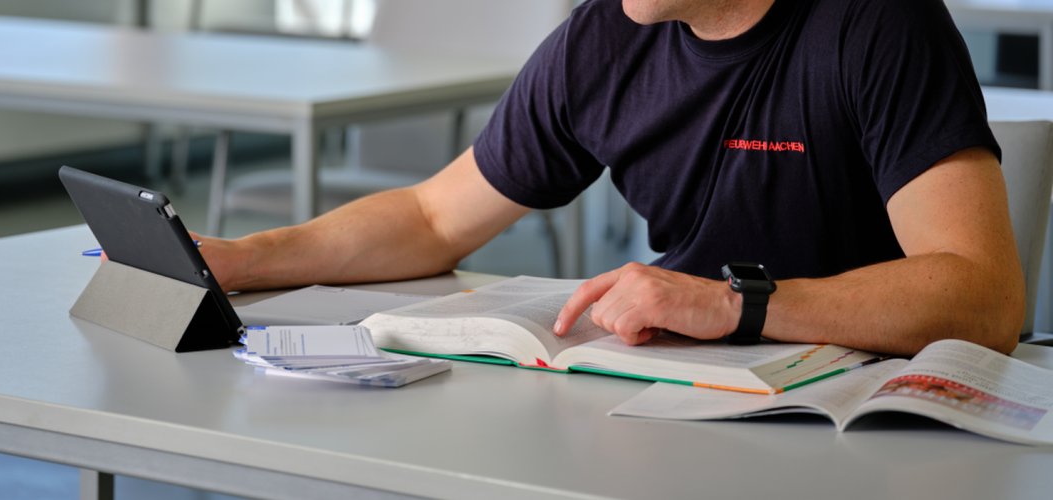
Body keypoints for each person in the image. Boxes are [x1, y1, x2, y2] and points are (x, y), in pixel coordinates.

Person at [195, 0, 1024, 356]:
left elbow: (984, 296)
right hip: (685, 397)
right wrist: (249, 258)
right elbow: (433, 218)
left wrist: (733, 304)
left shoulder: (877, 24)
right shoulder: (605, 40)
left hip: (858, 414)